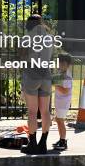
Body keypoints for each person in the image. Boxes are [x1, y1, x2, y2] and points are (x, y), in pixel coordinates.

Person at [20, 14, 53, 155]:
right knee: (45, 112)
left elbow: (22, 57)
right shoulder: (50, 37)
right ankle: (43, 143)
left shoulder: (27, 37)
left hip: (32, 74)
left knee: (32, 112)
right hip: (46, 74)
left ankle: (32, 144)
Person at [52, 53, 73, 150]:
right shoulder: (61, 74)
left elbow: (65, 90)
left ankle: (63, 141)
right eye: (59, 63)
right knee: (58, 120)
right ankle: (61, 139)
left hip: (63, 102)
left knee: (60, 121)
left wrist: (55, 84)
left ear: (68, 65)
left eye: (62, 63)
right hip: (60, 101)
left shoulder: (67, 76)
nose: (60, 65)